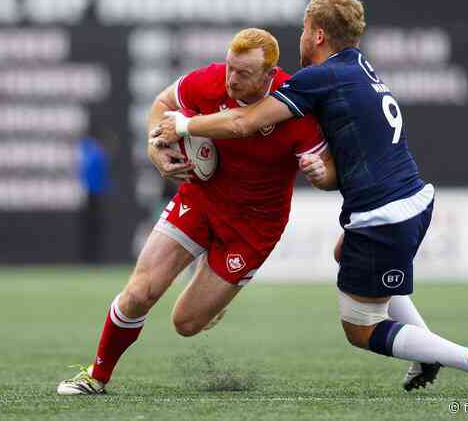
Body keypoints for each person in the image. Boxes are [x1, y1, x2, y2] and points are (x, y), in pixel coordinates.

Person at [150, 0, 468, 395]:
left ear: (319, 35)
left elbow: (245, 123)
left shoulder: (320, 77)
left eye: (306, 30)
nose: (302, 38)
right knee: (344, 254)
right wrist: (323, 169)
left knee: (361, 328)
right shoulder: (359, 66)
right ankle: (425, 353)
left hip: (383, 215)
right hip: (412, 200)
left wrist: (183, 126)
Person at [57, 28, 329, 395]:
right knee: (140, 292)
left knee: (185, 323)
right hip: (202, 199)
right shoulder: (210, 80)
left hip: (254, 226)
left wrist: (321, 173)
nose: (231, 79)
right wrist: (156, 148)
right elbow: (161, 105)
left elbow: (328, 173)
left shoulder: (295, 105)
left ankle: (211, 281)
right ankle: (97, 376)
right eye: (230, 68)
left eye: (243, 73)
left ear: (268, 75)